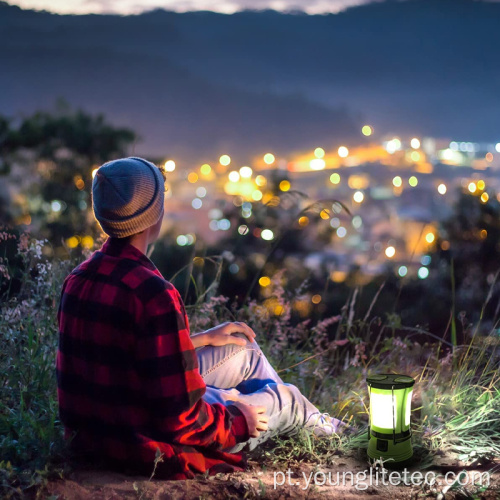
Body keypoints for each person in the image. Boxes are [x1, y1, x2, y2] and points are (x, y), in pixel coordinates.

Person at [56, 157, 344, 480]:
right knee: (287, 399)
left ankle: (308, 427)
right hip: (144, 443)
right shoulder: (153, 294)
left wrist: (204, 339)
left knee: (243, 350)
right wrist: (237, 421)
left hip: (101, 429)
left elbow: (123, 357)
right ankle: (342, 439)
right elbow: (180, 419)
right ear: (156, 217)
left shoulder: (78, 279)